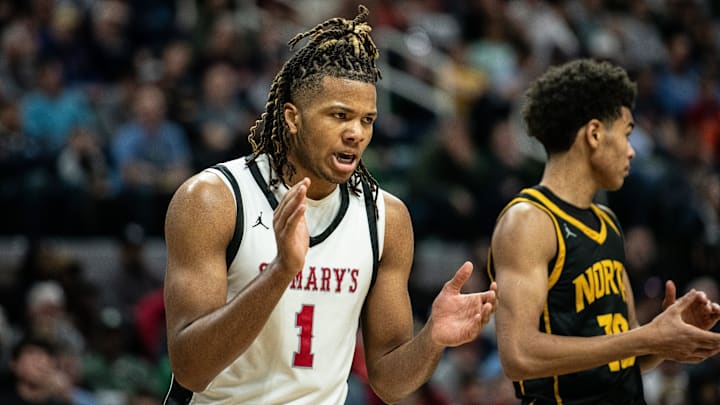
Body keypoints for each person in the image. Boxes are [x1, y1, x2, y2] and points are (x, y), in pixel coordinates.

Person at [162, 5, 497, 405]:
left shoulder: (385, 217)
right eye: (340, 116)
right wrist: (281, 272)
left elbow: (389, 382)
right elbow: (191, 369)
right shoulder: (213, 200)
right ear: (292, 117)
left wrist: (432, 340)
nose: (356, 133)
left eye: (367, 120)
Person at [487, 58, 720, 404]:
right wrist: (647, 338)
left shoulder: (608, 222)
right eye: (626, 133)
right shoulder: (529, 221)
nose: (631, 150)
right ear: (594, 134)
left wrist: (665, 338)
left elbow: (621, 358)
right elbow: (519, 355)